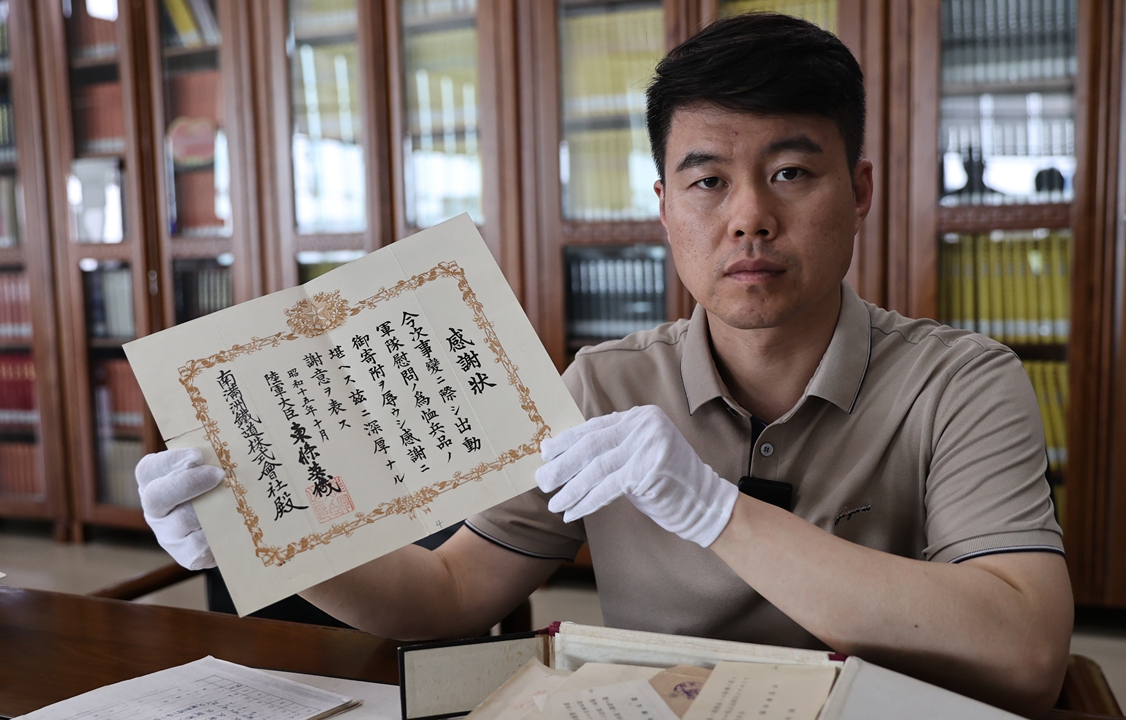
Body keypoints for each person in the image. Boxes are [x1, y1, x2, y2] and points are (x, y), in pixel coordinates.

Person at [135, 13, 1072, 717]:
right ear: (665, 208)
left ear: (860, 190)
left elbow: (1027, 648)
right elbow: (449, 594)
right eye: (708, 181)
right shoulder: (603, 386)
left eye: (792, 172)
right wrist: (262, 531)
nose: (748, 216)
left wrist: (716, 512)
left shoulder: (964, 381)